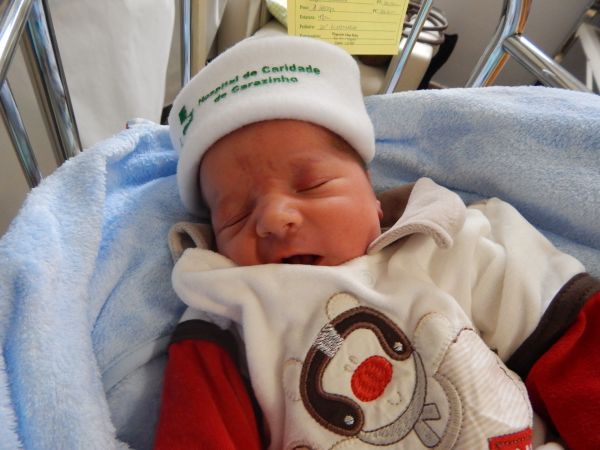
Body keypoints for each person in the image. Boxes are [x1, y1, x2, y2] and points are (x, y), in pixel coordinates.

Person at [154, 35, 600, 450]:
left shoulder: (445, 242)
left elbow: (576, 343)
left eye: (311, 185)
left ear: (372, 194)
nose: (272, 218)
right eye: (236, 214)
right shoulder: (229, 315)